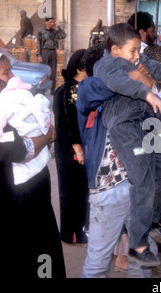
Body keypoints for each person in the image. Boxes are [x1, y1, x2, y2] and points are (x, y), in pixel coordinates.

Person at [93, 23, 161, 267]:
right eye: (132, 51)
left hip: (143, 126)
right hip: (125, 128)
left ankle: (151, 221)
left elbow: (154, 67)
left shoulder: (133, 57)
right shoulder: (106, 64)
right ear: (114, 49)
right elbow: (120, 83)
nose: (136, 56)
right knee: (142, 182)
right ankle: (138, 243)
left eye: (137, 51)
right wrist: (146, 92)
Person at [0, 51, 65, 278]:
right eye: (6, 72)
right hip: (10, 202)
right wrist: (48, 136)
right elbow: (20, 151)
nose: (12, 77)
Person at [77, 44, 158, 278]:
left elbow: (156, 124)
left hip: (136, 185)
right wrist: (132, 77)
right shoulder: (89, 88)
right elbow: (95, 90)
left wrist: (147, 86)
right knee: (98, 262)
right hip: (107, 189)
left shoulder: (132, 94)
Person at [53, 49, 89, 245]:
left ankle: (79, 231)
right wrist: (78, 149)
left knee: (81, 191)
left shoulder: (80, 87)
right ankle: (71, 234)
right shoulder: (69, 90)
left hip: (77, 148)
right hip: (70, 150)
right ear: (80, 67)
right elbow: (69, 122)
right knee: (71, 193)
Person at [0, 76, 51, 186]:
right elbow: (19, 153)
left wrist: (2, 137)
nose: (10, 75)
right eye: (6, 71)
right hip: (35, 137)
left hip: (27, 137)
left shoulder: (1, 102)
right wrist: (47, 134)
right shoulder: (25, 94)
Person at [37, 17, 67, 94]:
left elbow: (63, 35)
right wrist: (39, 55)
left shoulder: (55, 32)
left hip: (53, 52)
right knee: (44, 71)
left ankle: (52, 90)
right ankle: (42, 89)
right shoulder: (41, 31)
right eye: (50, 22)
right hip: (44, 52)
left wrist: (58, 27)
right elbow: (38, 43)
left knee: (53, 71)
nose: (52, 24)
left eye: (53, 22)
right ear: (46, 22)